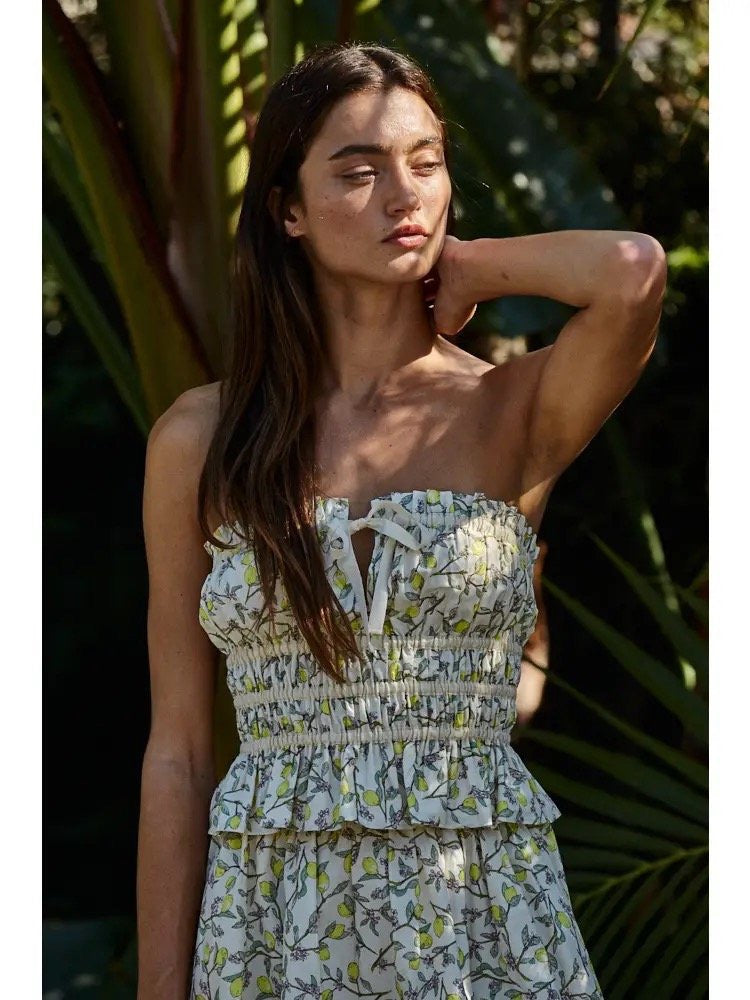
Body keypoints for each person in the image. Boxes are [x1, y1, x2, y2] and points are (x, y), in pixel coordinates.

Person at [137, 41, 666, 1000]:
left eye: (426, 162)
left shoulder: (511, 409)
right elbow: (177, 752)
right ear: (286, 211)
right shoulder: (200, 440)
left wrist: (468, 267)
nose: (403, 194)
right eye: (360, 170)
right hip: (274, 930)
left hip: (486, 924)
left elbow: (631, 271)